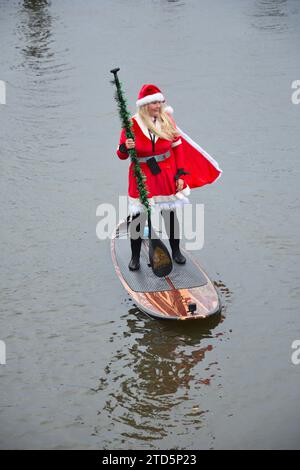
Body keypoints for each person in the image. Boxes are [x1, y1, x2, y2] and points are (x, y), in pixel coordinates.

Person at [116, 84, 191, 271]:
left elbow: (178, 147)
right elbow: (121, 155)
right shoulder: (131, 124)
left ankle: (175, 251)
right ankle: (135, 257)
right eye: (154, 103)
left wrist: (180, 173)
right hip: (140, 174)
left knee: (169, 214)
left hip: (165, 172)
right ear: (145, 105)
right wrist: (126, 146)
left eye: (160, 102)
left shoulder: (167, 120)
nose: (159, 106)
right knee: (138, 218)